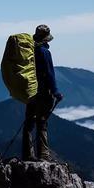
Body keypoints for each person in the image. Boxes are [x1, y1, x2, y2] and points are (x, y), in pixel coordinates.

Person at [22, 24, 63, 161]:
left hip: (31, 92)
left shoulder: (30, 51)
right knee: (42, 123)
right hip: (43, 93)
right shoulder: (45, 53)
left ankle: (27, 154)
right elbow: (50, 74)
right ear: (46, 39)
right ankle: (43, 156)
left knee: (28, 123)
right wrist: (56, 92)